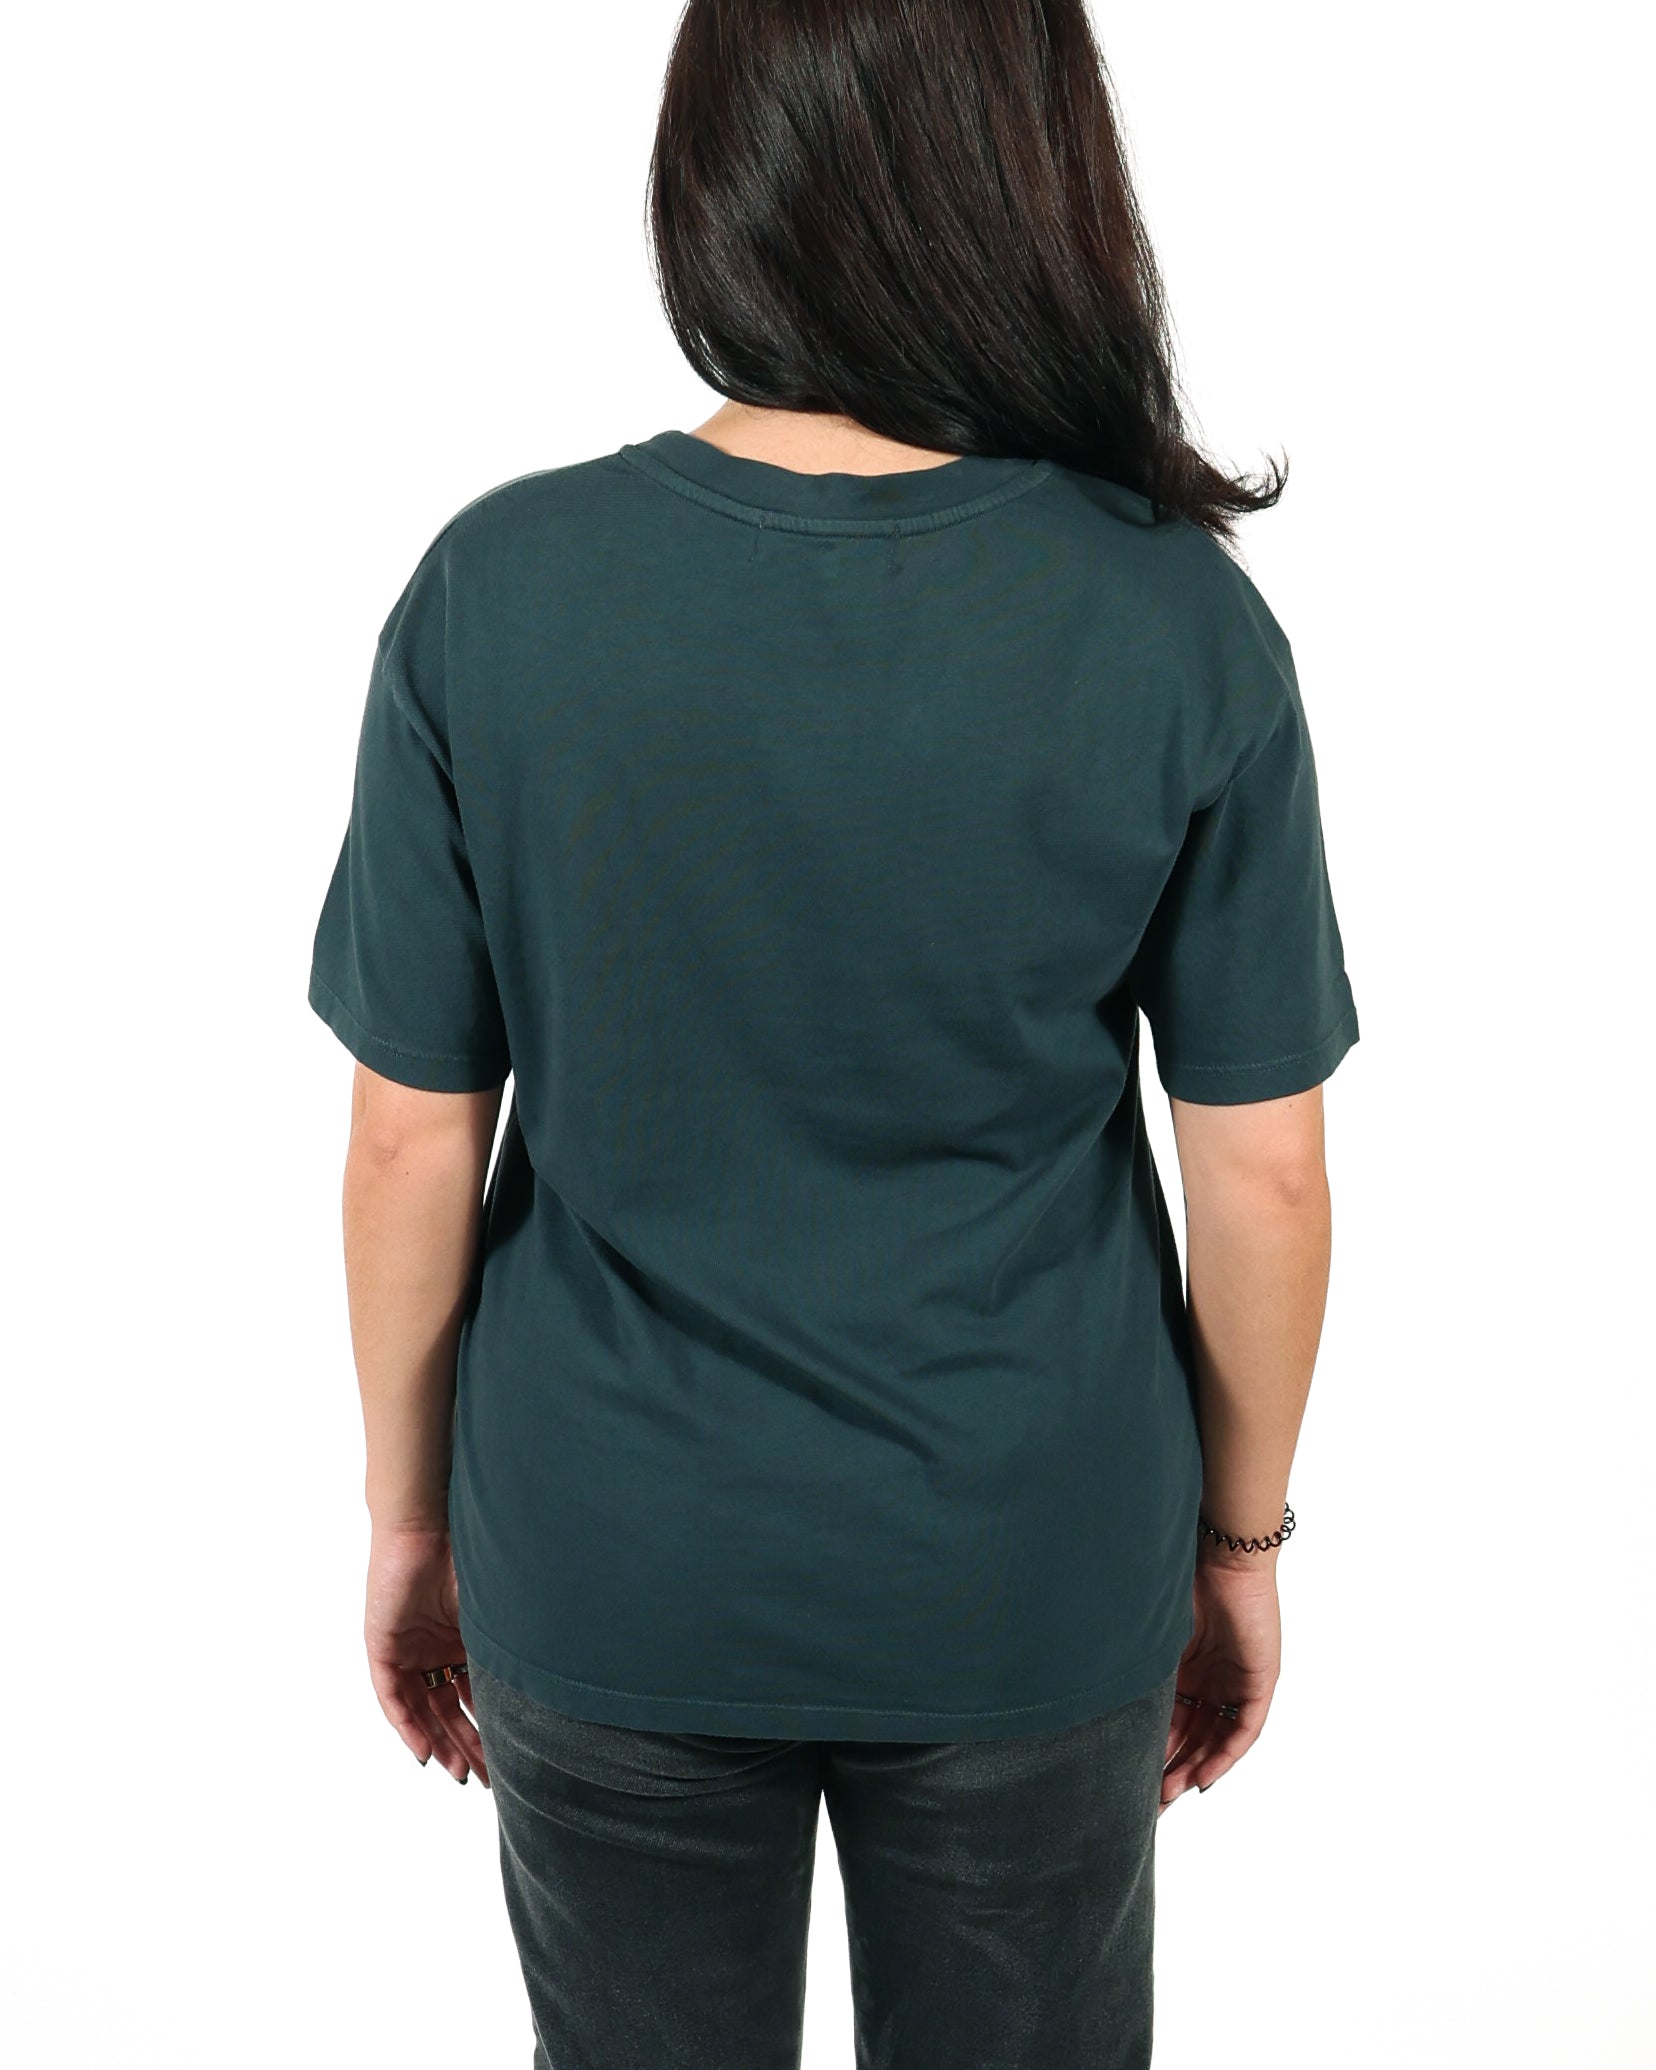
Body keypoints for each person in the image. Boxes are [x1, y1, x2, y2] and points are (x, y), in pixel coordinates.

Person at [306, 2, 1359, 2063]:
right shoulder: (1177, 619)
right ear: (1036, 177)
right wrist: (1238, 1545)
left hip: (606, 1542)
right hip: (1028, 1555)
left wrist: (409, 1517)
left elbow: (407, 1137)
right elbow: (1268, 1170)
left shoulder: (495, 590)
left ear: (716, 179)